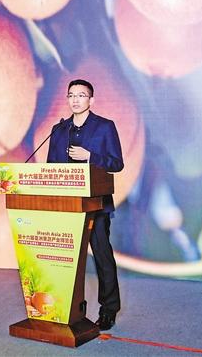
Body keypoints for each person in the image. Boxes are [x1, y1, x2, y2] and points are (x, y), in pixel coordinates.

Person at [46, 79, 123, 331]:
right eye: (71, 95)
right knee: (62, 260)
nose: (75, 99)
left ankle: (109, 310)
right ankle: (61, 308)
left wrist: (90, 156)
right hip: (66, 205)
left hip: (96, 205)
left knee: (102, 257)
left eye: (81, 95)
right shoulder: (59, 130)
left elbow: (116, 163)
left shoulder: (105, 126)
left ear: (91, 99)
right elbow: (50, 168)